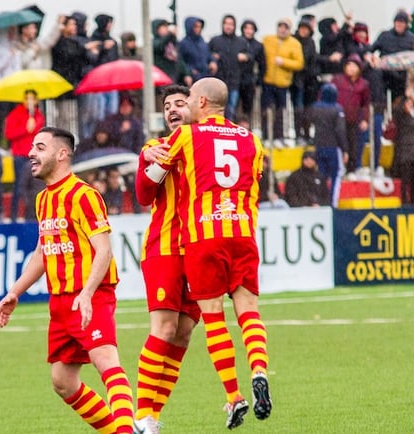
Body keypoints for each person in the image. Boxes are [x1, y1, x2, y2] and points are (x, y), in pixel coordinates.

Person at [0, 127, 137, 434]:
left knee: (107, 363)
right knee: (63, 381)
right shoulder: (43, 199)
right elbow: (42, 253)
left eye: (40, 147)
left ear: (62, 154)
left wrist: (87, 293)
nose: (31, 153)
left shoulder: (84, 196)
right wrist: (15, 292)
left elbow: (104, 250)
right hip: (60, 302)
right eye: (32, 147)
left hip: (90, 296)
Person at [149, 78, 271, 428]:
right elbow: (255, 181)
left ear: (201, 102)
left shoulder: (186, 136)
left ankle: (234, 395)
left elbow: (153, 176)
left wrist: (148, 155)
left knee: (214, 318)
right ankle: (259, 370)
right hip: (242, 233)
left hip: (204, 236)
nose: (185, 104)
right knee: (249, 312)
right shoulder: (252, 140)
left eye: (188, 98)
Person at [132, 84, 203, 433]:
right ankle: (142, 416)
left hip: (200, 249)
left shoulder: (207, 146)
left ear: (197, 107)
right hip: (165, 247)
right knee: (163, 328)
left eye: (179, 103)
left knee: (184, 333)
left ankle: (152, 417)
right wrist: (152, 160)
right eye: (167, 106)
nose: (172, 109)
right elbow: (144, 195)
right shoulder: (155, 147)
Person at [261, 18, 304, 147]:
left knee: (280, 112)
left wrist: (284, 62)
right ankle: (266, 136)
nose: (282, 30)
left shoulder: (294, 43)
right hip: (268, 81)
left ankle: (278, 137)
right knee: (266, 110)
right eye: (280, 27)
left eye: (285, 28)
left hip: (283, 83)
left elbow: (299, 63)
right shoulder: (268, 39)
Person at [5, 89, 45, 222]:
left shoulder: (38, 116)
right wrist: (24, 128)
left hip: (34, 156)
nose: (30, 102)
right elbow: (9, 134)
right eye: (27, 99)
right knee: (19, 186)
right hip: (20, 156)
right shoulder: (15, 114)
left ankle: (34, 213)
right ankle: (14, 216)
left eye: (33, 99)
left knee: (37, 185)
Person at [332, 55, 370, 180]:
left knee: (353, 144)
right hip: (337, 119)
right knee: (338, 144)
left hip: (353, 119)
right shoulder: (337, 80)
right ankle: (337, 168)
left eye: (354, 66)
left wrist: (365, 119)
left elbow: (366, 104)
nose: (351, 68)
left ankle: (351, 169)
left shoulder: (363, 84)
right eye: (349, 65)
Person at [309, 83, 347, 206]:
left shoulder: (315, 107)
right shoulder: (337, 109)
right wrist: (345, 149)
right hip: (333, 146)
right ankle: (332, 203)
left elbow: (308, 120)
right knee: (336, 175)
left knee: (321, 175)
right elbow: (340, 130)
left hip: (319, 146)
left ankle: (321, 200)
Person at [390, 97, 414, 205]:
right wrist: (404, 99)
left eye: (411, 103)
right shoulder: (401, 117)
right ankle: (404, 201)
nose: (409, 105)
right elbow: (395, 111)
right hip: (406, 151)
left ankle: (413, 201)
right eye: (407, 103)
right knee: (405, 179)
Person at [291, 16, 319, 145]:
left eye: (306, 29)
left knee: (308, 110)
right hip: (297, 81)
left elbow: (312, 60)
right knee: (298, 109)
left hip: (309, 81)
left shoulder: (311, 42)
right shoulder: (293, 41)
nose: (303, 31)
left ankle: (307, 134)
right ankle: (298, 134)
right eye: (302, 28)